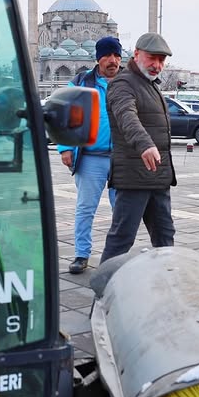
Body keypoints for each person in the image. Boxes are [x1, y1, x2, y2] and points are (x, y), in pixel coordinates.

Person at [99, 32, 176, 263]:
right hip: (134, 177)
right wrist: (145, 145)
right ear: (136, 54)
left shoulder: (150, 85)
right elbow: (126, 116)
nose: (157, 65)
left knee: (165, 236)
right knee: (121, 239)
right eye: (152, 58)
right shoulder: (123, 84)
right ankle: (103, 293)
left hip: (158, 176)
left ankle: (168, 284)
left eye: (162, 60)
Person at [57, 36, 122, 274]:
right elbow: (65, 116)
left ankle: (118, 256)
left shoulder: (128, 82)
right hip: (91, 158)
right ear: (98, 58)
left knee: (122, 211)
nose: (112, 61)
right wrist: (65, 148)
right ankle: (81, 254)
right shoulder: (81, 83)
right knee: (86, 208)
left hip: (121, 158)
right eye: (107, 56)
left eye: (116, 56)